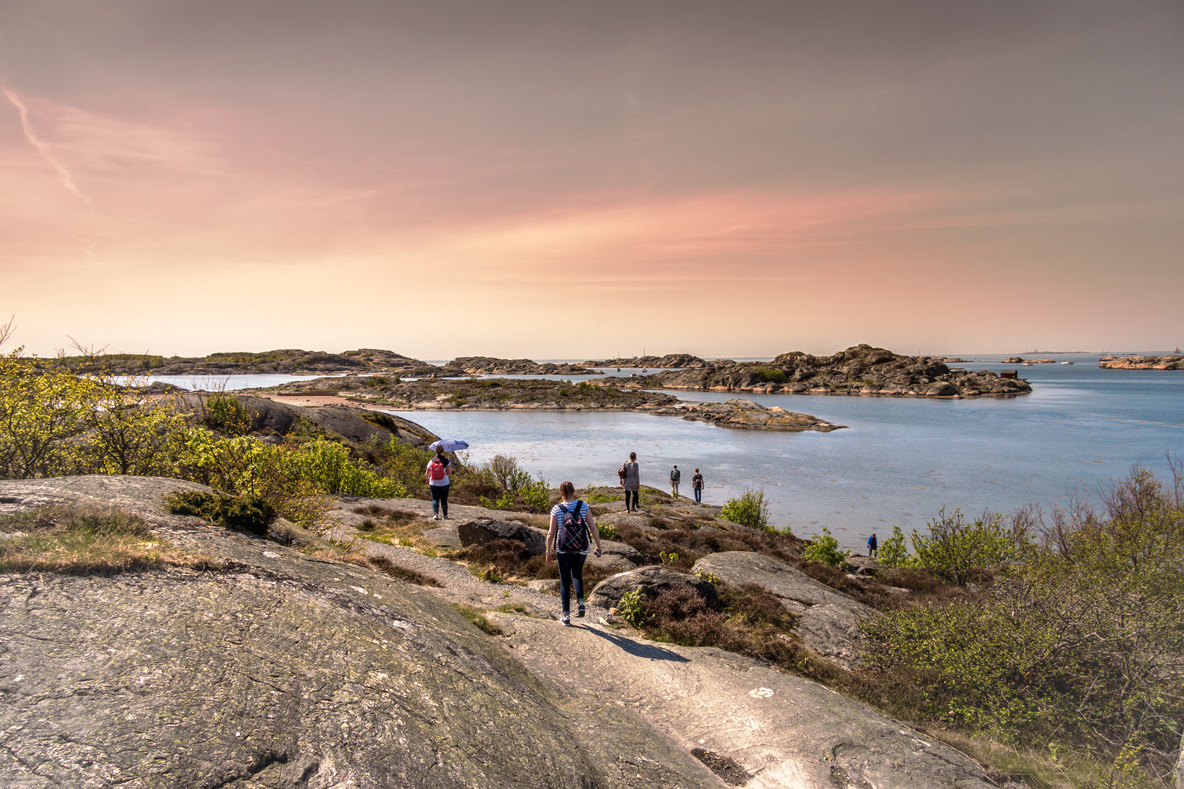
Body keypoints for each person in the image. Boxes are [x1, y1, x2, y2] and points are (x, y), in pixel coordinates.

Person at [546, 481, 602, 625]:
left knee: (565, 580)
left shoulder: (556, 509)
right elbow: (593, 528)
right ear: (574, 492)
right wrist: (598, 546)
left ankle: (566, 616)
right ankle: (581, 602)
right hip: (581, 548)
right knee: (577, 574)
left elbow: (551, 533)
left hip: (563, 549)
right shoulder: (583, 506)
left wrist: (548, 551)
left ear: (561, 493)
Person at [426, 447, 452, 520]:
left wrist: (427, 479)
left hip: (433, 482)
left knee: (435, 499)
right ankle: (445, 516)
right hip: (444, 483)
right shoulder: (446, 461)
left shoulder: (432, 461)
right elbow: (449, 472)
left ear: (436, 452)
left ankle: (435, 515)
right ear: (443, 451)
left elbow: (427, 472)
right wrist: (445, 472)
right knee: (444, 499)